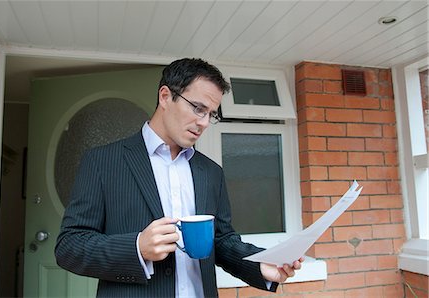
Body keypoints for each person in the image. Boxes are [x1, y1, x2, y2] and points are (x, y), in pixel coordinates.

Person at [55, 58, 303, 297]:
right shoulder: (102, 162)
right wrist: (137, 248)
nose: (204, 122)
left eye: (211, 114)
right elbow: (70, 246)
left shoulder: (211, 172)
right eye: (198, 108)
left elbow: (222, 240)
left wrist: (259, 265)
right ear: (165, 96)